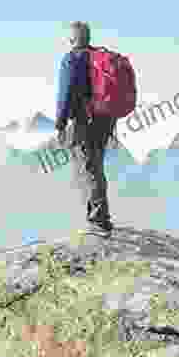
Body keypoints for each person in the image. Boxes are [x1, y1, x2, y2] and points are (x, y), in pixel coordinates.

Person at [55, 21, 118, 235]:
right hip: (105, 121)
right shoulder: (100, 58)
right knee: (96, 167)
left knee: (89, 169)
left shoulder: (72, 59)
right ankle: (100, 216)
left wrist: (61, 125)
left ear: (73, 39)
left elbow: (65, 94)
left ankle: (98, 221)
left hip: (85, 121)